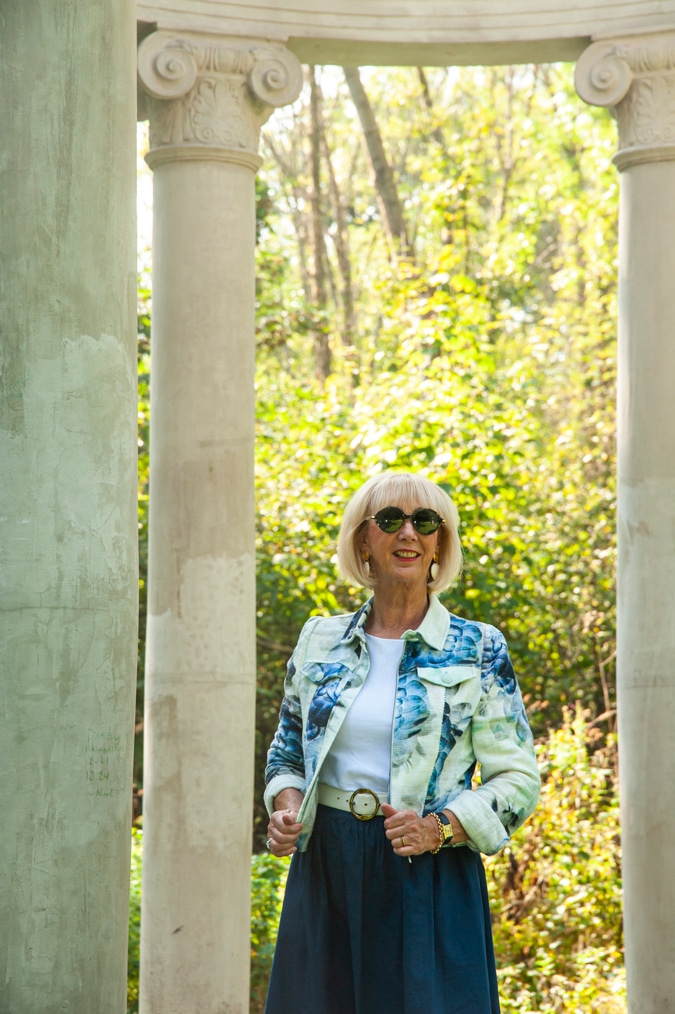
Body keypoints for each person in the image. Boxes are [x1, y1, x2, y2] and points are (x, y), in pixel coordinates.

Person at [263, 471, 540, 1014]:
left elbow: (518, 779)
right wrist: (286, 808)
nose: (408, 532)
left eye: (425, 522)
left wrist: (440, 828)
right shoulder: (320, 638)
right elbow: (287, 752)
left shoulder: (478, 647)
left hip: (428, 870)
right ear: (364, 540)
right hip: (326, 867)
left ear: (440, 544)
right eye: (390, 520)